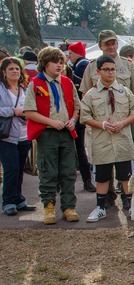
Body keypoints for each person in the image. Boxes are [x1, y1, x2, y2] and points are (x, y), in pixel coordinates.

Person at [80, 30, 134, 208]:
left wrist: (129, 114)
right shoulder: (92, 67)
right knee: (103, 161)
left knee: (126, 160)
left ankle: (127, 196)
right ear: (100, 46)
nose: (111, 46)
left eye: (114, 43)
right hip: (101, 123)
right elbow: (85, 93)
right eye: (107, 43)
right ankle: (106, 197)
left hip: (124, 122)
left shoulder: (128, 65)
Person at [24, 46, 80, 225]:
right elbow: (29, 111)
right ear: (45, 63)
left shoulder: (67, 82)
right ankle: (48, 206)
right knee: (48, 170)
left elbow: (77, 107)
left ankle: (68, 207)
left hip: (66, 131)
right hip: (47, 133)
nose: (60, 65)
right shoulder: (36, 83)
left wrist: (73, 119)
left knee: (69, 170)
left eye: (62, 62)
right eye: (55, 62)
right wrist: (50, 122)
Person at [0, 57, 35, 216]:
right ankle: (8, 201)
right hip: (6, 136)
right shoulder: (1, 89)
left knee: (20, 169)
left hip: (24, 135)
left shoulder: (25, 89)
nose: (14, 71)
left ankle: (19, 199)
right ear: (4, 72)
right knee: (11, 169)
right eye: (11, 69)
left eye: (17, 69)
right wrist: (12, 111)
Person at [67, 41, 96, 193]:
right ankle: (85, 181)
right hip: (70, 114)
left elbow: (82, 90)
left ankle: (87, 180)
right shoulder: (76, 66)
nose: (68, 56)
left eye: (70, 53)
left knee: (80, 149)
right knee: (77, 150)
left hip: (77, 113)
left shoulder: (82, 65)